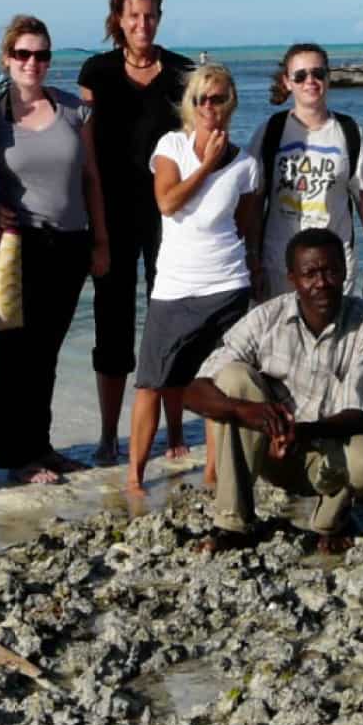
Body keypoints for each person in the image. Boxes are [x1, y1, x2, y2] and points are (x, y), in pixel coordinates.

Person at [187, 228, 363, 555]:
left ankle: (331, 522)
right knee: (234, 377)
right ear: (292, 278)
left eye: (331, 271)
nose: (321, 282)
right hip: (269, 452)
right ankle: (233, 525)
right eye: (310, 274)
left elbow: (359, 415)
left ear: (344, 271)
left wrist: (302, 433)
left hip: (323, 450)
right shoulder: (266, 318)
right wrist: (247, 412)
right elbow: (194, 391)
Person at [0, 14, 109, 484]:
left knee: (49, 350)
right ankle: (17, 457)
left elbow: (91, 177)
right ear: (7, 59)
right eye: (23, 54)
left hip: (71, 243)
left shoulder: (75, 109)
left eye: (41, 54)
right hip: (19, 244)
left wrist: (101, 241)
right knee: (17, 352)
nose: (32, 62)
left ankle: (42, 446)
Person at [126, 62, 260, 495]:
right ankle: (134, 479)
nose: (208, 107)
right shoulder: (172, 146)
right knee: (151, 382)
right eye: (200, 98)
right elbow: (167, 202)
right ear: (190, 104)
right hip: (174, 288)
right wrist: (206, 166)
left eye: (217, 98)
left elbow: (246, 230)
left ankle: (212, 476)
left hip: (227, 286)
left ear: (230, 103)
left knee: (219, 385)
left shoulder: (246, 165)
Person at [77, 0, 195, 465]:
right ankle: (109, 436)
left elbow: (199, 142)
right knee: (112, 322)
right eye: (133, 16)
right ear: (118, 21)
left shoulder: (183, 72)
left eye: (150, 15)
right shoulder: (97, 73)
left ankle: (172, 432)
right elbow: (83, 156)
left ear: (159, 17)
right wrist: (97, 232)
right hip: (112, 212)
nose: (142, 24)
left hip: (171, 216)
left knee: (168, 320)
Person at [246, 42, 363, 302]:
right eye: (301, 75)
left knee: (333, 340)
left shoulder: (349, 132)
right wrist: (252, 261)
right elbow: (254, 202)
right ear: (287, 81)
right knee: (282, 341)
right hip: (279, 264)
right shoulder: (270, 131)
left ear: (328, 77)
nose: (311, 81)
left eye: (318, 73)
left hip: (334, 266)